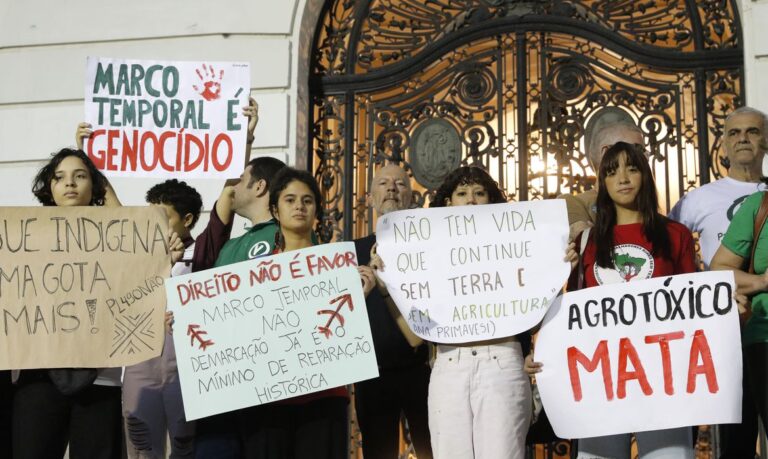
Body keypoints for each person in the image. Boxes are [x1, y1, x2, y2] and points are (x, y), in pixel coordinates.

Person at [381, 166, 575, 459]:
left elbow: (538, 306)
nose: (471, 199)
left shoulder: (517, 246)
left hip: (503, 361)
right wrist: (389, 277)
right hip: (449, 364)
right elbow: (416, 333)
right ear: (448, 203)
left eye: (479, 192)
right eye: (462, 193)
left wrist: (559, 263)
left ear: (491, 201)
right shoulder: (426, 253)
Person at [527, 142, 697, 459]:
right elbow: (572, 314)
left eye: (631, 168)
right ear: (602, 183)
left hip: (663, 379)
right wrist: (541, 352)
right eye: (612, 170)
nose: (622, 177)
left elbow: (694, 308)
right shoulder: (586, 240)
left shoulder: (676, 234)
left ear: (645, 176)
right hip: (601, 380)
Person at [13, 148, 183, 459]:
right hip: (39, 372)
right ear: (47, 187)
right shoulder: (24, 236)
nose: (70, 184)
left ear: (95, 185)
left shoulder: (119, 238)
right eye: (60, 177)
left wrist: (163, 262)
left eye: (80, 176)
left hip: (100, 376)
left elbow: (136, 292)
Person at [235, 167, 375, 458]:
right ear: (275, 209)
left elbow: (346, 334)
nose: (299, 206)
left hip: (324, 401)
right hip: (268, 401)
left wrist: (358, 298)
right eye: (290, 200)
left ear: (316, 211)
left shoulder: (338, 268)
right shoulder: (251, 275)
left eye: (307, 200)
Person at [668, 106, 768, 457]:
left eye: (753, 132)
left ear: (766, 141)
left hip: (764, 329)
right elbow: (668, 249)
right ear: (723, 145)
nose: (743, 139)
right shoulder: (699, 198)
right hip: (723, 333)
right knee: (736, 439)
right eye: (734, 133)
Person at [353, 164, 433, 459]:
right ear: (371, 197)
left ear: (411, 198)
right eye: (383, 183)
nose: (391, 188)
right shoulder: (351, 251)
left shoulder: (427, 249)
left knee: (433, 450)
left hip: (421, 369)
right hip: (372, 375)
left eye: (400, 184)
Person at [121, 179, 204, 458]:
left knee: (185, 446)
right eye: (150, 216)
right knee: (142, 448)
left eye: (163, 217)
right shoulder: (135, 254)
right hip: (140, 365)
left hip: (187, 366)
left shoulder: (204, 254)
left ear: (187, 219)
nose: (153, 224)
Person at [559, 117, 644, 239]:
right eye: (636, 149)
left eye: (643, 151)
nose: (643, 157)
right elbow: (586, 245)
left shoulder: (644, 203)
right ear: (606, 152)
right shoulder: (573, 203)